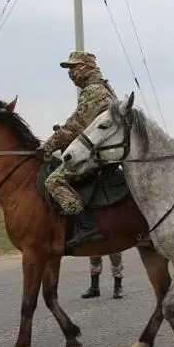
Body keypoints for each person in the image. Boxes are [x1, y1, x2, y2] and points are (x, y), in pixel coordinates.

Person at [39, 51, 118, 247]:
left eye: (74, 67)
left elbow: (76, 125)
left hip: (99, 154)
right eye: (70, 69)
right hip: (101, 149)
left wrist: (49, 146)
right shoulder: (100, 88)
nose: (71, 73)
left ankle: (86, 226)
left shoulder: (94, 91)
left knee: (54, 181)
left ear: (88, 67)